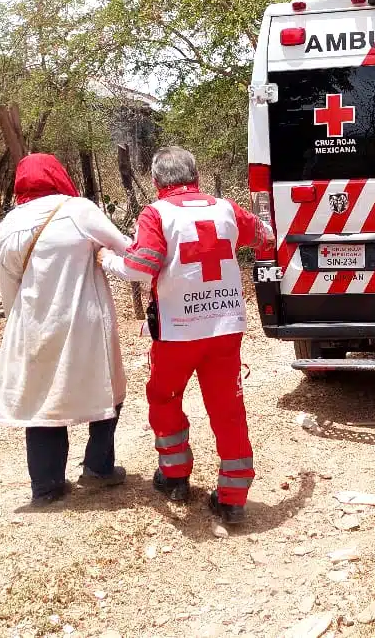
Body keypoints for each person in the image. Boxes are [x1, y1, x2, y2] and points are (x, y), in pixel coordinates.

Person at [98, 146, 263, 525]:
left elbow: (143, 266)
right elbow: (264, 235)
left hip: (178, 332)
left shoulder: (156, 213)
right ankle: (233, 497)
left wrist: (107, 259)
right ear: (197, 176)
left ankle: (175, 477)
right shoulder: (225, 208)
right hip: (225, 328)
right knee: (228, 408)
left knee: (163, 396)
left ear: (156, 181)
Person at [0, 153, 132, 506]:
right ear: (59, 176)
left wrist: (20, 324)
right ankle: (99, 468)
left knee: (42, 399)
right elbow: (128, 248)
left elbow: (9, 287)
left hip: (32, 323)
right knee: (110, 388)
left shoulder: (7, 225)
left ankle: (46, 485)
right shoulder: (78, 210)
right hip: (83, 319)